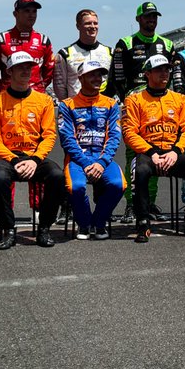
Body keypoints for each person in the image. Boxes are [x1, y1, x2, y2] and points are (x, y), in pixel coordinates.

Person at [122, 54, 185, 241]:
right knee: (140, 171)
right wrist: (151, 152)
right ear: (147, 73)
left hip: (173, 152)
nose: (164, 73)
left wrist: (176, 151)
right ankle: (143, 222)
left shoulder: (180, 99)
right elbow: (129, 133)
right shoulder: (134, 100)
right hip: (148, 152)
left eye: (167, 69)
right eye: (159, 69)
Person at [0, 52, 64, 249]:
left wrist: (35, 160)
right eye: (20, 67)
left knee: (57, 175)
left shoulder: (44, 101)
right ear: (9, 72)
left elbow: (49, 135)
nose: (26, 70)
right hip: (9, 157)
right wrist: (12, 160)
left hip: (34, 157)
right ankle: (8, 230)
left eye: (29, 67)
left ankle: (44, 228)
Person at [110, 1, 175, 220]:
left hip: (160, 103)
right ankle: (132, 203)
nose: (151, 20)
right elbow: (117, 76)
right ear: (138, 19)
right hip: (135, 104)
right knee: (134, 156)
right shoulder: (126, 43)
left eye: (154, 16)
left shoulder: (166, 43)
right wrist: (126, 98)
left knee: (157, 149)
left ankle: (150, 202)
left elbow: (171, 77)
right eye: (147, 16)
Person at [57, 57, 124, 240]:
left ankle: (98, 223)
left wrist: (102, 163)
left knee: (118, 185)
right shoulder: (67, 105)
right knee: (76, 187)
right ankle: (84, 224)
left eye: (100, 75)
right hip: (78, 160)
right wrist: (86, 163)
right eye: (92, 75)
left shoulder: (111, 104)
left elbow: (114, 137)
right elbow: (67, 139)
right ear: (80, 78)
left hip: (103, 158)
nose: (97, 79)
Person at [0, 0, 55, 94]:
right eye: (27, 11)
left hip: (36, 99)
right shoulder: (1, 40)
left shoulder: (43, 40)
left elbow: (49, 72)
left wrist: (39, 90)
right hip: (8, 99)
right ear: (15, 14)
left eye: (34, 11)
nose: (31, 15)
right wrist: (0, 92)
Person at [53, 9, 113, 100]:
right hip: (75, 108)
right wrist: (69, 107)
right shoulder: (65, 54)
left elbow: (114, 83)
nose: (93, 26)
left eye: (95, 23)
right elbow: (59, 86)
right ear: (78, 26)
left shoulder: (110, 52)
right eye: (88, 23)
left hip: (103, 108)